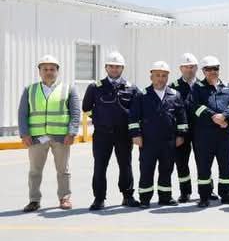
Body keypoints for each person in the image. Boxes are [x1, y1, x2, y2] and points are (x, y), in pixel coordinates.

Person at [19, 55, 81, 212]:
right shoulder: (30, 90)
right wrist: (24, 134)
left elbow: (75, 113)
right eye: (45, 69)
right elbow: (22, 114)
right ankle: (34, 200)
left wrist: (72, 133)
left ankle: (64, 198)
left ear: (57, 71)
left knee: (63, 170)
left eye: (52, 69)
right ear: (39, 71)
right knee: (35, 171)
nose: (48, 72)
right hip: (36, 138)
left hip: (61, 137)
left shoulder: (68, 89)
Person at [83, 50, 139, 209]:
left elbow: (136, 111)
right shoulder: (95, 87)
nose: (114, 69)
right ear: (106, 67)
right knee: (100, 166)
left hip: (123, 134)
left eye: (118, 67)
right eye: (111, 66)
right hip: (102, 134)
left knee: (125, 165)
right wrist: (99, 118)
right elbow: (86, 107)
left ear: (122, 68)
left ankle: (127, 196)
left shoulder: (131, 88)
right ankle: (99, 199)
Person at [129, 61, 188, 207]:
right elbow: (133, 117)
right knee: (146, 170)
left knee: (166, 169)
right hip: (148, 141)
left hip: (169, 141)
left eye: (164, 75)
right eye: (157, 75)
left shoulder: (175, 95)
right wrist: (136, 135)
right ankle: (145, 199)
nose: (160, 78)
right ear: (151, 77)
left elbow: (182, 117)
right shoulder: (142, 95)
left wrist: (181, 135)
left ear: (167, 77)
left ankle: (165, 197)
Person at [189, 56, 229, 206]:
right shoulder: (197, 88)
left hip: (224, 133)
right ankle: (204, 197)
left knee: (226, 165)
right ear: (203, 71)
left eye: (215, 69)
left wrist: (224, 117)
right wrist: (213, 117)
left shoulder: (227, 87)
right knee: (204, 166)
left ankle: (227, 194)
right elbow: (195, 107)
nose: (213, 72)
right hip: (204, 134)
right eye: (209, 69)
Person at [171, 53, 201, 203]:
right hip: (181, 132)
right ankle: (185, 192)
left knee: (203, 161)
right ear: (181, 69)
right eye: (186, 67)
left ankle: (207, 190)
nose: (189, 70)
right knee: (181, 162)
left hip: (201, 131)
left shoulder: (203, 85)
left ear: (196, 68)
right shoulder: (173, 87)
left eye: (192, 67)